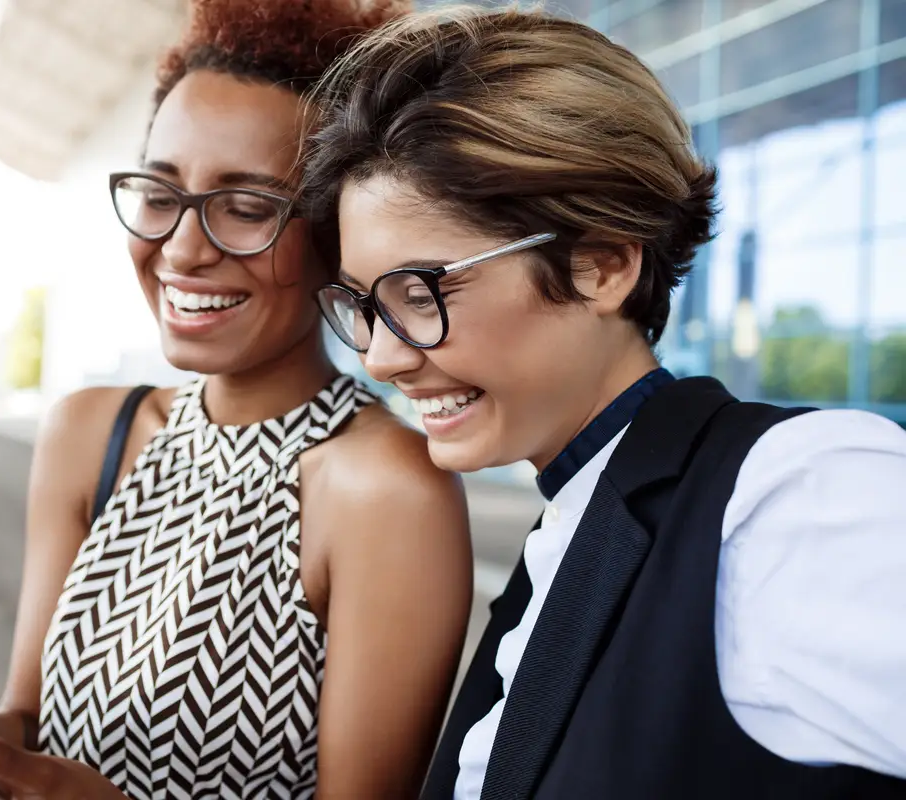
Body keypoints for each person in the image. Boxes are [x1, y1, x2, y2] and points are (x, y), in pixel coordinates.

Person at [0, 1, 475, 797]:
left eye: (248, 207)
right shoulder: (93, 433)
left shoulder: (386, 489)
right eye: (160, 193)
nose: (183, 248)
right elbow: (30, 737)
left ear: (336, 228)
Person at [300, 6, 906, 799]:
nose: (381, 358)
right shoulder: (573, 521)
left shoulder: (795, 495)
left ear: (603, 265)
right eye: (364, 306)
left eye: (419, 294)